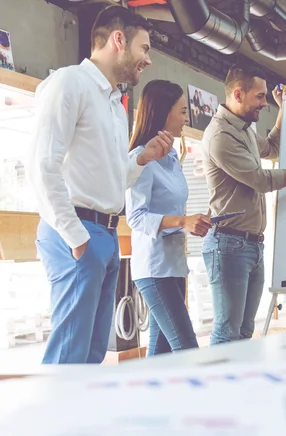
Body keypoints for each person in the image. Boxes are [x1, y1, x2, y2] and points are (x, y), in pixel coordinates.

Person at [29, 6, 173, 364]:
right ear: (118, 40)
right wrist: (77, 240)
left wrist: (141, 158)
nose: (148, 60)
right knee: (69, 355)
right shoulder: (69, 83)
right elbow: (42, 167)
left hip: (105, 234)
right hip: (77, 233)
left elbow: (109, 180)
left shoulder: (115, 105)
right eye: (144, 49)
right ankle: (53, 421)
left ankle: (77, 420)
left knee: (92, 356)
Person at [202, 64, 286, 345]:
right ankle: (218, 387)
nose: (264, 104)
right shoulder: (221, 136)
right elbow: (262, 180)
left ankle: (237, 387)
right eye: (260, 97)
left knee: (243, 331)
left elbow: (272, 149)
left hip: (250, 245)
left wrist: (283, 109)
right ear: (238, 94)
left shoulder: (245, 130)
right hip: (229, 245)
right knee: (227, 331)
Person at [127, 80, 212, 356]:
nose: (186, 118)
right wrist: (182, 222)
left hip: (174, 265)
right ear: (164, 113)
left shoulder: (173, 156)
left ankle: (146, 400)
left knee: (160, 355)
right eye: (183, 111)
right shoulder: (141, 158)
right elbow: (137, 218)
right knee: (187, 351)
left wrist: (195, 222)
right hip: (154, 269)